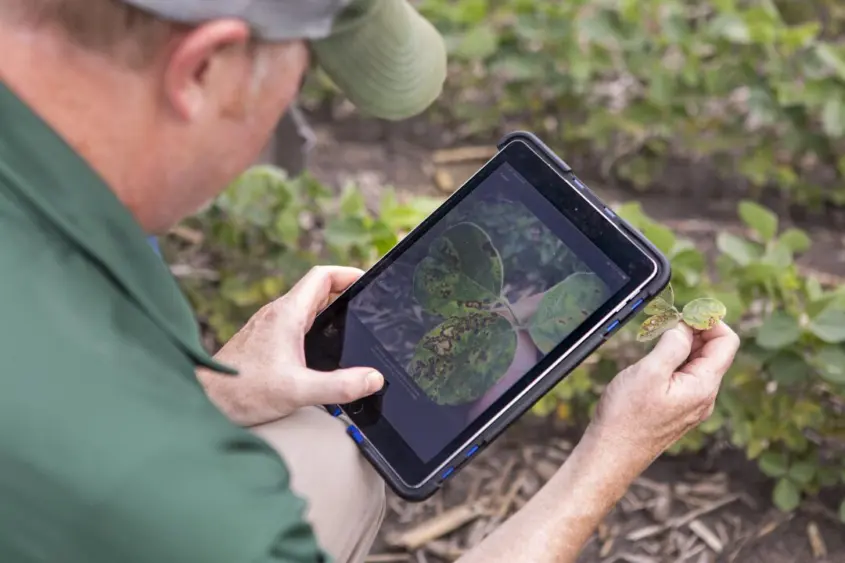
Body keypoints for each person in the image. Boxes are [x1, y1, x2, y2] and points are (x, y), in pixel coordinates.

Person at [0, 1, 741, 562]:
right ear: (201, 68)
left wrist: (210, 392)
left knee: (331, 451)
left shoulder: (71, 266)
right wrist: (611, 454)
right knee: (336, 462)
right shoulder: (184, 504)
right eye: (301, 75)